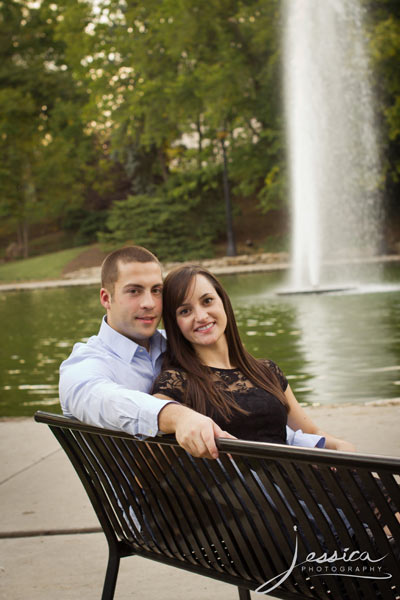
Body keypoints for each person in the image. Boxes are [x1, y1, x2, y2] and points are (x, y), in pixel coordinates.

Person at [152, 264, 355, 452]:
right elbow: (154, 442)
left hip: (299, 479)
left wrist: (339, 444)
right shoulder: (175, 382)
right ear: (174, 323)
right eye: (185, 311)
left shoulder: (266, 371)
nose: (202, 316)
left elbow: (310, 431)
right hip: (244, 488)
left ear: (223, 302)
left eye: (207, 301)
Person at [59, 245, 234, 460]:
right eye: (134, 291)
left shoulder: (179, 342)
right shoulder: (84, 365)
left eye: (156, 290)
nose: (149, 303)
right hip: (152, 490)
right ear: (106, 298)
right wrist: (177, 417)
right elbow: (103, 398)